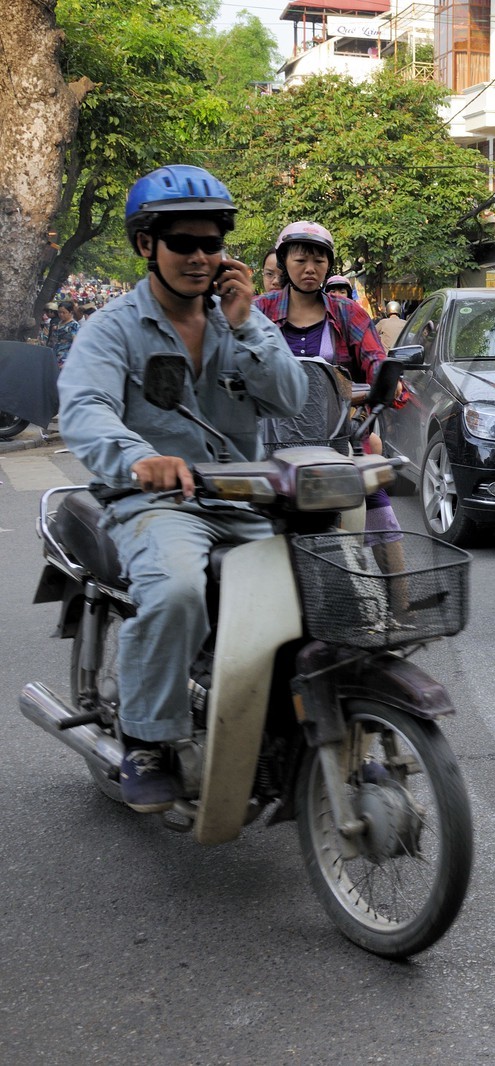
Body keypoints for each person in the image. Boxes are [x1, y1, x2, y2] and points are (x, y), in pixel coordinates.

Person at [56, 164, 306, 812]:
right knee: (176, 590)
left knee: (317, 591)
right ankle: (148, 738)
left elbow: (290, 396)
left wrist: (249, 323)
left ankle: (285, 726)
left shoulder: (240, 319)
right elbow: (84, 409)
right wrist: (141, 458)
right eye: (183, 244)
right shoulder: (113, 328)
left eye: (212, 243)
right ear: (147, 246)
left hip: (244, 497)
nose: (200, 257)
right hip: (157, 503)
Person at [253, 221, 404, 553]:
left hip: (339, 437)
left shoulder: (348, 312)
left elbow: (375, 358)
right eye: (300, 260)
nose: (310, 269)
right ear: (284, 263)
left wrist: (387, 381)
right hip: (266, 443)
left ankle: (401, 602)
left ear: (328, 266)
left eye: (319, 261)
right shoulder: (258, 312)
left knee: (379, 506)